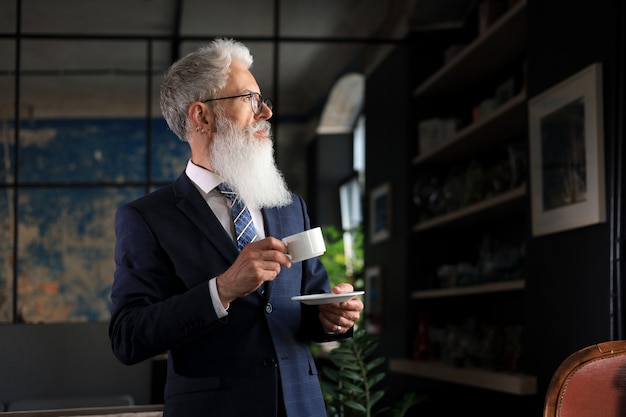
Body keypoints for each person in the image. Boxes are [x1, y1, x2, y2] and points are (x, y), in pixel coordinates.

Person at [108, 38, 364, 417]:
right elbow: (128, 338)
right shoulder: (146, 218)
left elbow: (307, 306)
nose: (266, 113)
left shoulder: (291, 206)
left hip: (302, 407)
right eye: (250, 99)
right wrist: (222, 289)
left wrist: (332, 317)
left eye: (263, 100)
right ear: (202, 116)